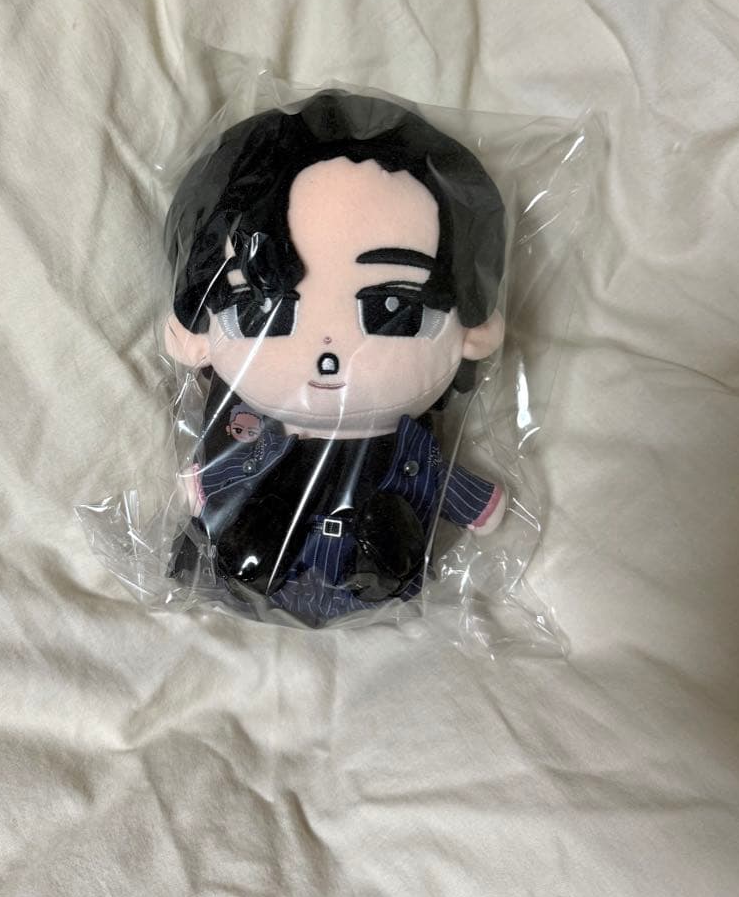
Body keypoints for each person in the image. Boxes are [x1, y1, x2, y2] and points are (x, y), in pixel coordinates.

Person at [164, 91, 507, 626]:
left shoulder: (411, 453)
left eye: (390, 307)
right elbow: (216, 480)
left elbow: (451, 489)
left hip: (377, 604)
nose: (328, 356)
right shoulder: (250, 441)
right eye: (267, 309)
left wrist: (478, 506)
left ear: (473, 330)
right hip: (252, 596)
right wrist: (205, 488)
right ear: (196, 333)